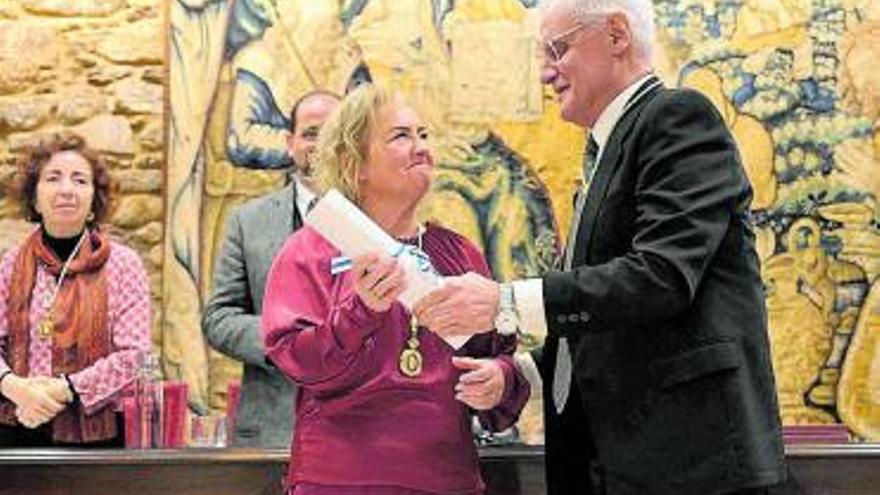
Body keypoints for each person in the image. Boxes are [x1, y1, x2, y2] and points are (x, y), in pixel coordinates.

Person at [415, 0, 787, 493]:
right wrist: (519, 373)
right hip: (622, 465)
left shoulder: (677, 118)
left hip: (692, 466)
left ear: (616, 35)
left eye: (557, 49)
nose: (546, 74)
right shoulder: (601, 154)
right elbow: (605, 320)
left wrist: (504, 303)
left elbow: (660, 278)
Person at [261, 83, 530, 494]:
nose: (421, 147)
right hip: (339, 482)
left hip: (445, 480)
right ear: (355, 162)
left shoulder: (458, 253)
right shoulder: (310, 251)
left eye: (423, 135)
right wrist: (360, 312)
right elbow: (297, 361)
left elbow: (501, 358)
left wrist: (500, 380)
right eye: (401, 136)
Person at [202, 90, 340, 447]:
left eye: (333, 132)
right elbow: (219, 317)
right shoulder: (247, 222)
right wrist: (288, 343)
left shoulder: (379, 222)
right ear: (289, 142)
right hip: (272, 432)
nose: (320, 143)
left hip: (360, 432)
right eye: (310, 133)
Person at [0, 132, 151, 447]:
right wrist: (16, 388)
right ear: (35, 198)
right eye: (53, 178)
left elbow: (133, 355)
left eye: (80, 180)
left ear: (94, 201)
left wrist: (62, 389)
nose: (67, 189)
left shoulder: (124, 265)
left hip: (100, 435)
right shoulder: (9, 265)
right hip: (17, 425)